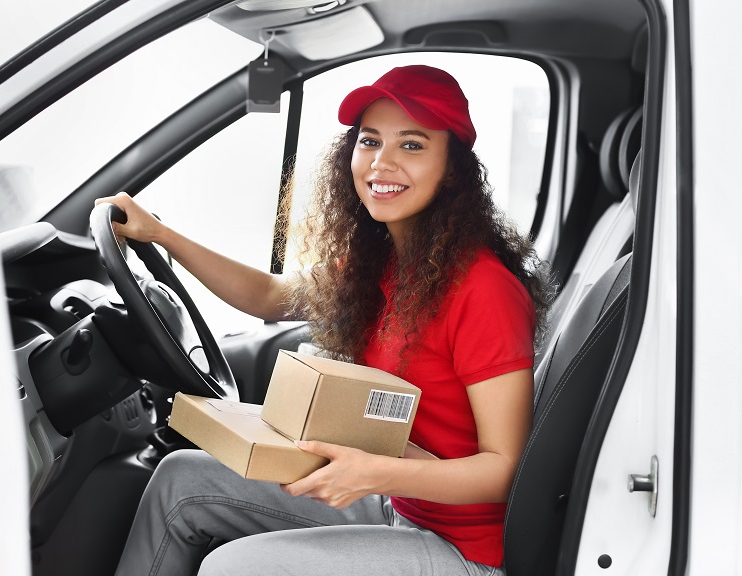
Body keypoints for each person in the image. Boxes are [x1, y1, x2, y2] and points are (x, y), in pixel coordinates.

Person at [100, 65, 552, 576]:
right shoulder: (381, 264)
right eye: (370, 141)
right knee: (180, 479)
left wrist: (372, 473)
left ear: (452, 169)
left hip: (465, 550)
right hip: (400, 502)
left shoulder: (483, 289)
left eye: (412, 145)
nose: (382, 163)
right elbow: (270, 296)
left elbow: (503, 472)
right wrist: (161, 235)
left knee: (235, 567)